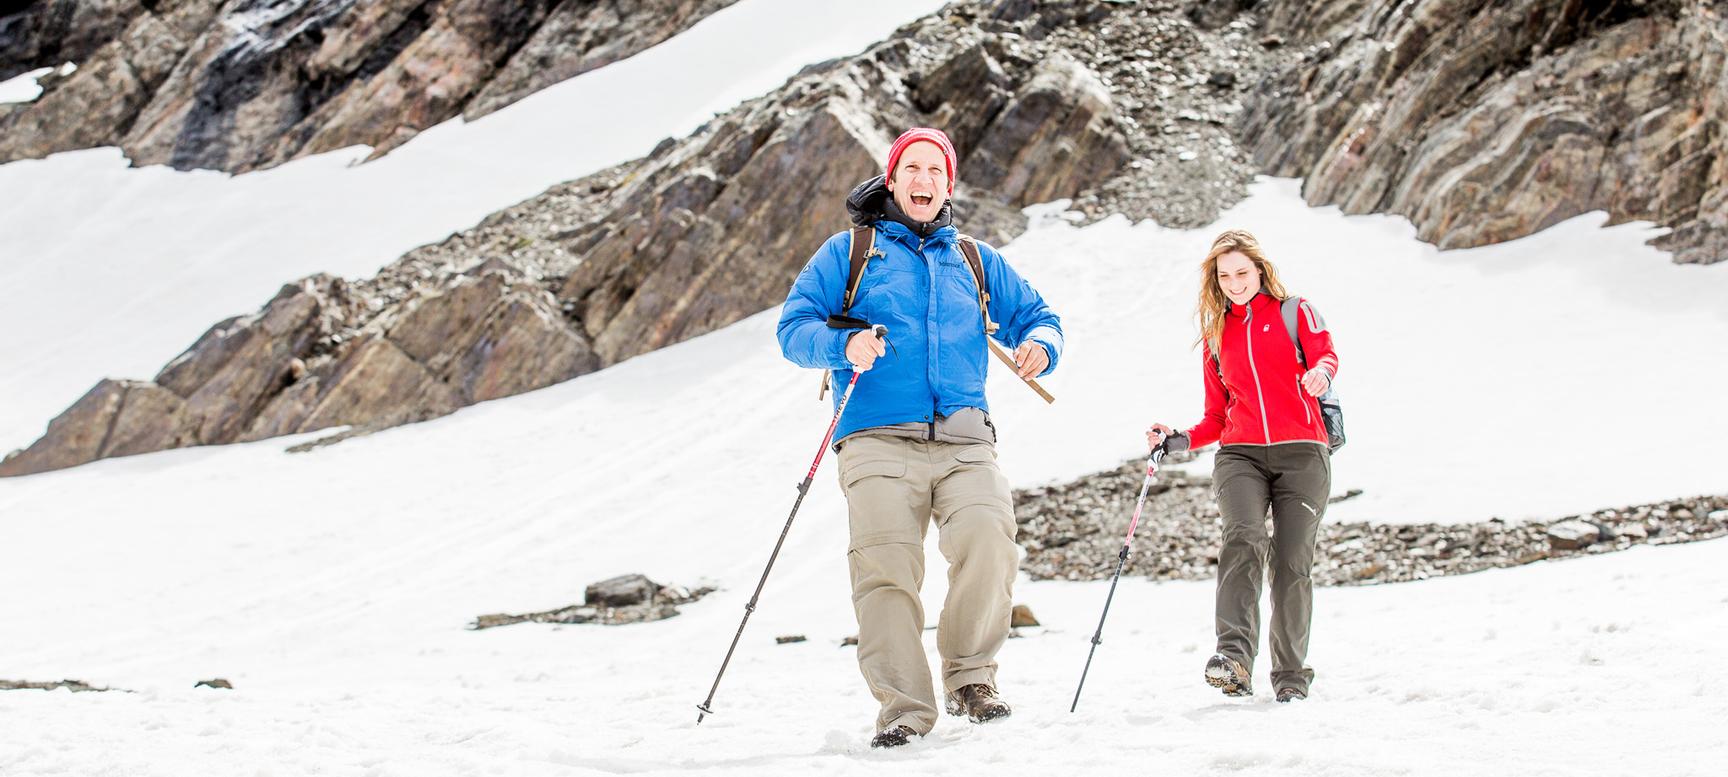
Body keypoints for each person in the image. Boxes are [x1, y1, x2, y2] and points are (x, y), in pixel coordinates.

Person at [776, 128, 1063, 748]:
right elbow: (793, 330)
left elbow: (1039, 317)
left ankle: (971, 679)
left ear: (948, 184)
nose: (923, 179)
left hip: (966, 440)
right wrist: (844, 344)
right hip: (875, 437)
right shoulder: (849, 252)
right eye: (912, 168)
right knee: (885, 568)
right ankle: (905, 708)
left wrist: (1042, 346)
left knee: (990, 539)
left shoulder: (975, 260)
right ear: (893, 178)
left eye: (936, 170)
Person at [1148, 228, 1338, 704]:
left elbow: (1326, 354)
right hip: (1241, 455)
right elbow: (1216, 417)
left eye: (1242, 273)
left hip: (1303, 453)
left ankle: (1291, 677)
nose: (1234, 283)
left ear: (1260, 270)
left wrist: (1320, 373)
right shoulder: (1217, 335)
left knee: (1291, 564)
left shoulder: (1295, 311)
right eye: (1224, 276)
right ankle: (1233, 659)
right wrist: (1177, 440)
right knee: (1243, 538)